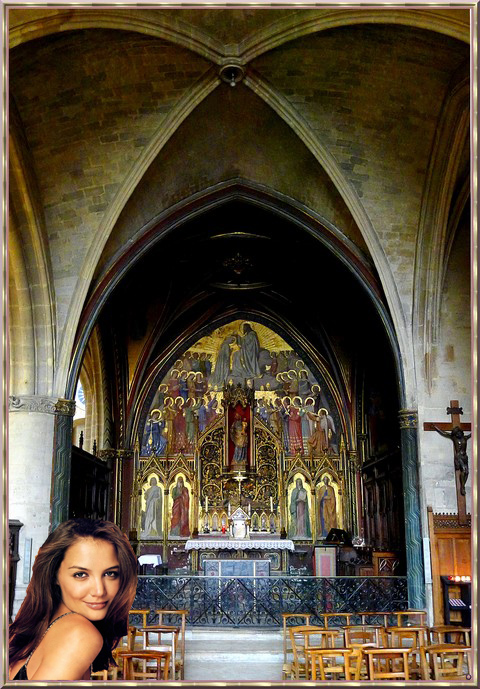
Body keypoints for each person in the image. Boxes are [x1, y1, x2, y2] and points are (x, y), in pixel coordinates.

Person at [9, 518, 137, 681]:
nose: (99, 591)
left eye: (110, 574)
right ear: (54, 575)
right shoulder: (79, 634)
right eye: (81, 575)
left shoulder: (23, 633)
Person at [433, 425, 471, 495]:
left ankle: (463, 485)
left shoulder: (465, 438)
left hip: (465, 457)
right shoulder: (454, 438)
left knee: (467, 472)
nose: (458, 434)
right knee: (464, 470)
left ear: (461, 432)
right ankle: (462, 487)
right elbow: (444, 433)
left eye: (459, 433)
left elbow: (472, 434)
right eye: (456, 434)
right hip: (459, 456)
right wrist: (436, 427)